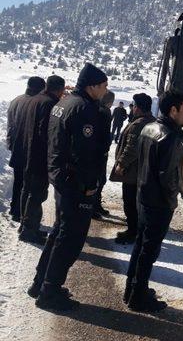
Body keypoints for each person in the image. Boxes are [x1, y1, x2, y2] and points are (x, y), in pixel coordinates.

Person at [29, 63, 108, 311]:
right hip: (75, 182)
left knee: (59, 230)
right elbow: (85, 153)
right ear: (92, 86)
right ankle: (50, 291)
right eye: (103, 86)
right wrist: (89, 186)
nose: (105, 91)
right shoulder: (84, 109)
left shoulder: (62, 104)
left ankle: (40, 281)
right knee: (71, 237)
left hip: (61, 177)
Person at [124, 90, 183, 313]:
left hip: (143, 196)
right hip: (158, 202)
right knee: (149, 251)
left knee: (140, 245)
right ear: (173, 110)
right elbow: (168, 176)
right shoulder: (170, 135)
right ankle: (138, 297)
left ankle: (131, 289)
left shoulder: (148, 128)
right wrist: (173, 200)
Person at [18, 75, 66, 244]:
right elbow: (46, 133)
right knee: (37, 194)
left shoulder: (35, 99)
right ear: (60, 89)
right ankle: (28, 230)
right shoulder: (50, 104)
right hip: (40, 156)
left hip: (29, 152)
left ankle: (26, 225)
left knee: (28, 190)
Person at [110, 93, 154, 244]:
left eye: (134, 106)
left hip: (133, 172)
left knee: (130, 203)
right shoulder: (152, 121)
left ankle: (132, 232)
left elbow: (132, 148)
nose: (133, 108)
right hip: (143, 172)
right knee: (137, 203)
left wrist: (121, 164)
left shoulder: (138, 124)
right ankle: (136, 230)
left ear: (138, 107)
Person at [7, 76, 46, 221]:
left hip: (16, 146)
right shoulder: (35, 103)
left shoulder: (17, 100)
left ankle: (14, 208)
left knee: (19, 180)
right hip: (27, 148)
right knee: (27, 184)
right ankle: (21, 213)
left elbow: (10, 125)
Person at [93, 90, 115, 219]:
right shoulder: (105, 112)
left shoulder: (96, 109)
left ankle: (96, 204)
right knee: (99, 180)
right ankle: (94, 206)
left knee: (99, 180)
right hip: (100, 152)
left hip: (97, 151)